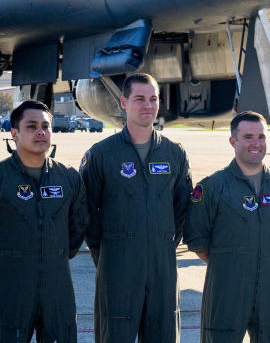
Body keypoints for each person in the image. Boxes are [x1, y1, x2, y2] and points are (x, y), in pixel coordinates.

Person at [79, 73, 193, 342]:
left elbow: (182, 209)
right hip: (117, 267)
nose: (148, 106)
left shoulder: (174, 153)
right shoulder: (101, 154)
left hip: (162, 267)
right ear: (123, 103)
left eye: (153, 99)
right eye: (139, 99)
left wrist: (162, 242)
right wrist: (109, 251)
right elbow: (86, 212)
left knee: (163, 334)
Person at [0, 100, 89, 343]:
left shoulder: (68, 177)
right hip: (11, 285)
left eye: (45, 126)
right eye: (32, 126)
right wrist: (11, 260)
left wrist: (52, 255)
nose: (41, 132)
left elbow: (78, 227)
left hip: (57, 283)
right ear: (14, 133)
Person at [184, 111, 270, 342]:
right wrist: (233, 258)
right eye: (248, 137)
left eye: (261, 137)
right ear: (233, 141)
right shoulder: (212, 187)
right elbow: (198, 239)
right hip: (226, 291)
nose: (256, 144)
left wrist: (261, 250)